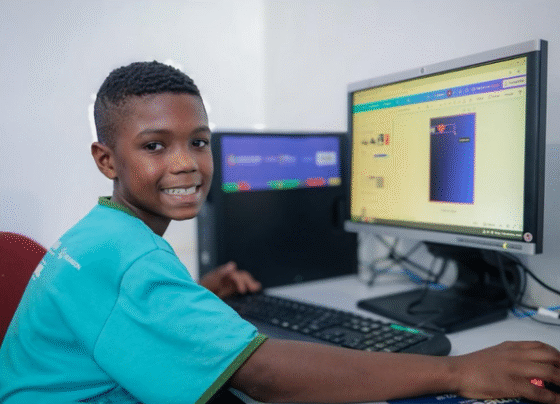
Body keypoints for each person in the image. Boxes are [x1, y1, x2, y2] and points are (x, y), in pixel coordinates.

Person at [1, 61, 558, 404]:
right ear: (106, 159)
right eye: (154, 145)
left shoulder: (103, 234)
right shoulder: (130, 262)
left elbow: (118, 312)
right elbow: (266, 376)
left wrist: (194, 297)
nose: (186, 162)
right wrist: (460, 370)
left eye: (198, 141)